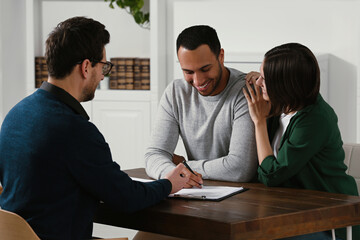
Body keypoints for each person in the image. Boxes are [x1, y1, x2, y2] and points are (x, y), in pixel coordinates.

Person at [0, 16, 190, 240]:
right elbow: (127, 198)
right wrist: (169, 183)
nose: (103, 75)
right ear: (86, 67)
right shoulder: (74, 129)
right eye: (104, 66)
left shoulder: (15, 115)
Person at [243, 42, 359, 240]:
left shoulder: (315, 119)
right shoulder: (282, 107)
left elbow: (271, 175)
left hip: (330, 221)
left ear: (285, 84)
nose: (259, 82)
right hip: (292, 211)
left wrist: (259, 122)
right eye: (260, 74)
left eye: (266, 78)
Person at [144, 25, 258, 187]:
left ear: (221, 56)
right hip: (197, 190)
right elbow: (154, 154)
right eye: (188, 72)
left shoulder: (245, 91)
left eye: (205, 69)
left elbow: (240, 168)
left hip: (246, 196)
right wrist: (173, 174)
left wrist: (184, 165)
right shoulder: (176, 93)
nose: (198, 81)